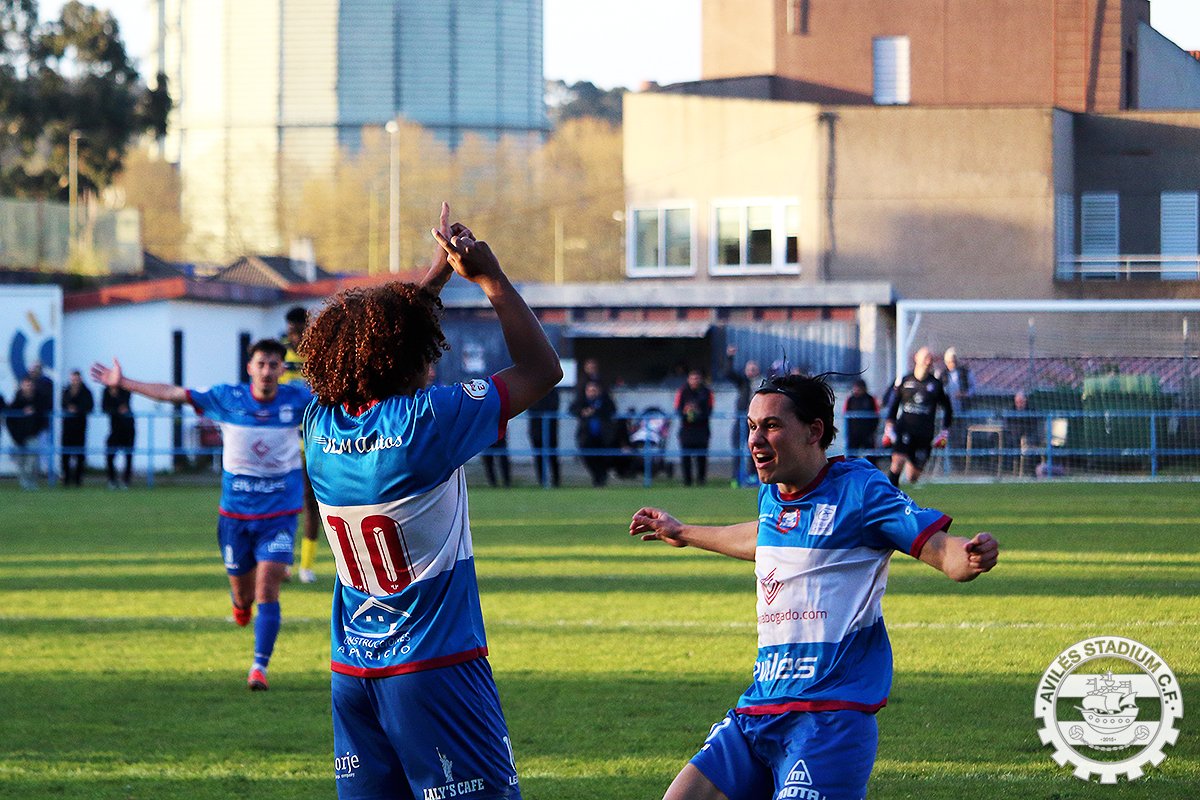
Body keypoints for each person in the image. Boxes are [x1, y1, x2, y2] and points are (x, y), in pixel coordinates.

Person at [630, 372, 999, 800]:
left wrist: (966, 556)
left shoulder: (861, 491)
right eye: (751, 426)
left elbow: (936, 548)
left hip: (828, 717)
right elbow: (764, 537)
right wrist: (685, 532)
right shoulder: (773, 497)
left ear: (814, 431)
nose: (756, 439)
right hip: (759, 708)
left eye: (770, 425)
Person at [300, 212, 561, 800]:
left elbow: (370, 348)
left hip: (354, 671)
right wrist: (489, 277)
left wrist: (437, 276)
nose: (434, 362)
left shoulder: (318, 423)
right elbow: (542, 371)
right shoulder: (427, 422)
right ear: (406, 354)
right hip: (436, 668)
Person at [91, 339, 312, 691]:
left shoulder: (299, 400)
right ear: (250, 368)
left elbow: (345, 403)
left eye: (274, 364)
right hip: (235, 517)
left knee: (268, 586)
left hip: (279, 514)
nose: (268, 371)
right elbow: (172, 393)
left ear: (282, 370)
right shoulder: (226, 397)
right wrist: (125, 382)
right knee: (244, 596)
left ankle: (259, 667)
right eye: (262, 364)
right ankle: (240, 606)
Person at [282, 303, 322, 584]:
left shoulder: (318, 356)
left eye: (299, 331)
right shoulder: (278, 354)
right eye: (291, 332)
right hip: (283, 441)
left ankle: (306, 566)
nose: (295, 337)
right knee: (282, 500)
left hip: (311, 439)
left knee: (311, 502)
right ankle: (282, 560)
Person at [882, 347, 953, 486]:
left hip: (924, 434)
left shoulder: (936, 384)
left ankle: (911, 460)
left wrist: (945, 431)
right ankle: (890, 500)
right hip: (905, 429)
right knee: (897, 463)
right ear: (916, 358)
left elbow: (948, 409)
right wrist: (889, 424)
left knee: (912, 477)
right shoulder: (905, 381)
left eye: (930, 358)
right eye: (926, 357)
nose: (929, 360)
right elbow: (893, 405)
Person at [724, 346, 761, 486]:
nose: (751, 371)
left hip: (756, 423)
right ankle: (736, 478)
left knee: (756, 449)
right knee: (737, 449)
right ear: (745, 371)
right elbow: (727, 373)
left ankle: (753, 476)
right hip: (741, 420)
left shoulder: (762, 384)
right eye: (749, 369)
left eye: (754, 369)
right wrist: (730, 357)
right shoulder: (742, 383)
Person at [6, 375, 50, 490]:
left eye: (30, 385)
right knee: (21, 462)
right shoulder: (16, 402)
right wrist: (15, 435)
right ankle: (24, 484)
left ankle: (32, 483)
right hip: (18, 437)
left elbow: (42, 416)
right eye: (26, 385)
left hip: (32, 435)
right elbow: (10, 419)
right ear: (22, 386)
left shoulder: (39, 400)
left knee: (32, 461)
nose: (28, 387)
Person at [571, 380, 617, 487]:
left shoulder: (605, 401)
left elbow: (612, 410)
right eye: (590, 390)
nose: (592, 392)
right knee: (588, 457)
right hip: (587, 436)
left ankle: (601, 478)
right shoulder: (582, 401)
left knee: (604, 458)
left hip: (603, 436)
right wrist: (583, 412)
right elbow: (573, 409)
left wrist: (597, 412)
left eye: (594, 390)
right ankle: (597, 477)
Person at [676, 369, 714, 486]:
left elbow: (709, 410)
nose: (694, 381)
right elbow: (678, 409)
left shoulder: (707, 392)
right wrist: (686, 413)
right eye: (692, 378)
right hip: (686, 430)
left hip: (702, 429)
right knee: (686, 456)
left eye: (697, 378)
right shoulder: (682, 392)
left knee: (701, 457)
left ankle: (701, 480)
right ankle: (687, 481)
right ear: (688, 379)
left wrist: (698, 414)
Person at [60, 369, 95, 487]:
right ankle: (66, 480)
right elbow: (62, 404)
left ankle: (78, 480)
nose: (75, 381)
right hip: (67, 427)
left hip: (80, 426)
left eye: (77, 379)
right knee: (65, 454)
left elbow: (89, 406)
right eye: (73, 379)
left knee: (80, 455)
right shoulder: (65, 391)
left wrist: (77, 410)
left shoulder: (86, 392)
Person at [101, 383, 135, 489]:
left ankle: (126, 481)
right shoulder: (106, 391)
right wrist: (116, 410)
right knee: (109, 455)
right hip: (114, 429)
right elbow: (105, 408)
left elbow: (124, 406)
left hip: (128, 427)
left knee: (128, 455)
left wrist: (115, 408)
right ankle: (112, 480)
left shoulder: (125, 390)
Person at [527, 385, 560, 487]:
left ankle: (556, 481)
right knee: (538, 456)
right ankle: (542, 481)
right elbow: (529, 407)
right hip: (536, 429)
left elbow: (554, 406)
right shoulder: (532, 391)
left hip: (550, 429)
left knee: (552, 455)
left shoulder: (552, 390)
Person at [842, 378, 879, 452]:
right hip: (853, 432)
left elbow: (876, 414)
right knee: (852, 455)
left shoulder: (870, 399)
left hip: (868, 432)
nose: (856, 390)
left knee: (871, 455)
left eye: (858, 388)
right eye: (855, 388)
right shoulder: (850, 399)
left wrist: (873, 430)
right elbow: (845, 413)